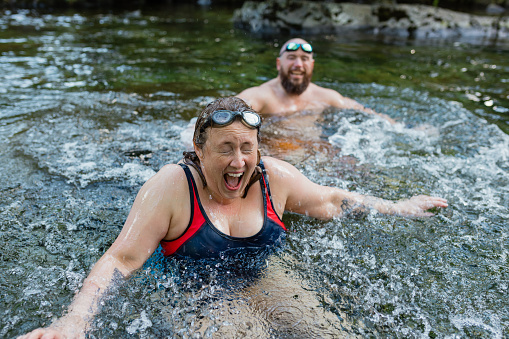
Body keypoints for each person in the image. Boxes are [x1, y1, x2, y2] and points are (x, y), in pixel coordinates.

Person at [20, 97, 447, 339]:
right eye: (225, 148)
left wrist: (398, 207)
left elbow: (332, 201)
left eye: (248, 147)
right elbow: (120, 260)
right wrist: (74, 320)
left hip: (263, 277)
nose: (239, 162)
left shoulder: (274, 178)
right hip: (195, 289)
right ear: (199, 148)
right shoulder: (171, 187)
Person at [237, 37, 396, 123]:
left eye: (304, 59)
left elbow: (366, 112)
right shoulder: (263, 95)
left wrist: (403, 127)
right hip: (277, 159)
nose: (298, 65)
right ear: (279, 64)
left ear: (312, 65)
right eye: (291, 57)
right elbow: (233, 108)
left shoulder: (325, 97)